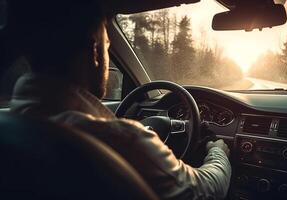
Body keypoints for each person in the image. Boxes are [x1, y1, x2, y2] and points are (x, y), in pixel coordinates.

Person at [7, 0, 232, 199]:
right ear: (95, 50)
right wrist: (218, 150)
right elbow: (204, 191)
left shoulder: (13, 126)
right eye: (107, 47)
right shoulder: (123, 139)